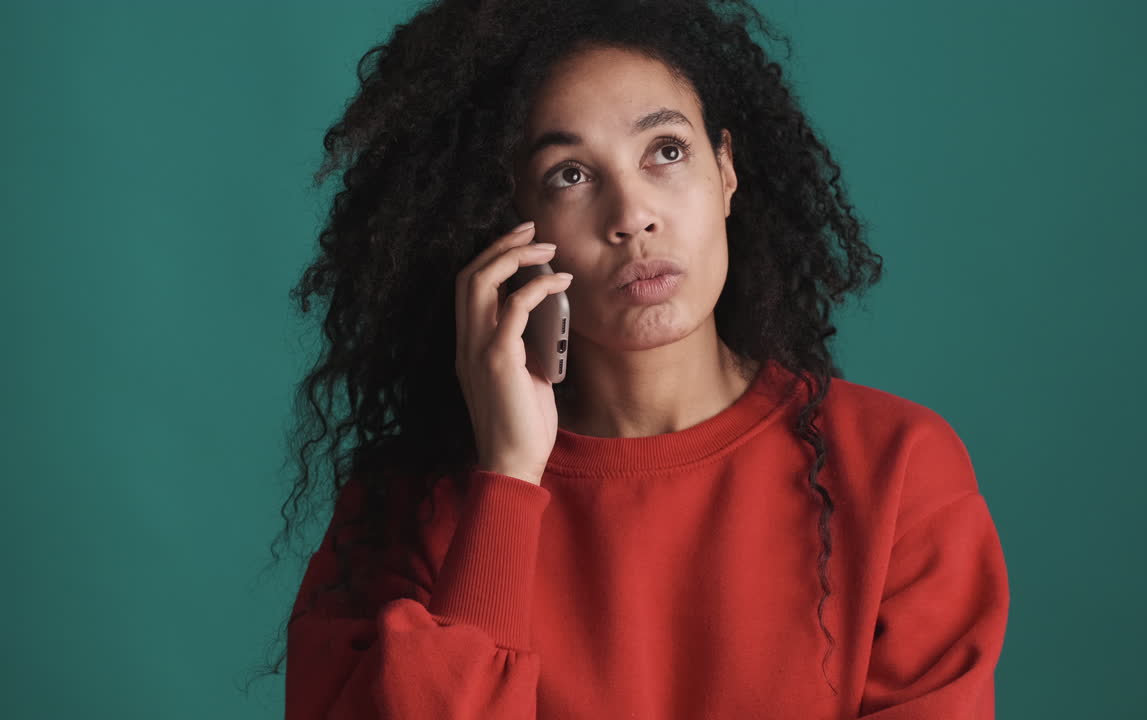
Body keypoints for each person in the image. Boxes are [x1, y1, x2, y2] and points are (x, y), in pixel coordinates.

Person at [269, 1, 1010, 717]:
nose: (632, 216)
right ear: (505, 222)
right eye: (571, 174)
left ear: (726, 170)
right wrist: (506, 484)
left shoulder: (898, 470)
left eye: (666, 151)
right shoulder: (404, 513)